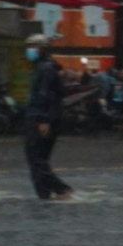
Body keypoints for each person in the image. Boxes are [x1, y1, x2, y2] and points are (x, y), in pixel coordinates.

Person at [22, 40, 73, 200]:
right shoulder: (44, 68)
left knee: (36, 158)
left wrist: (43, 120)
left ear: (41, 49)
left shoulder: (45, 69)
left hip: (41, 119)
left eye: (33, 47)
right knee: (38, 160)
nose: (30, 50)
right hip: (44, 118)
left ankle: (60, 189)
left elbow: (45, 96)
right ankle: (46, 193)